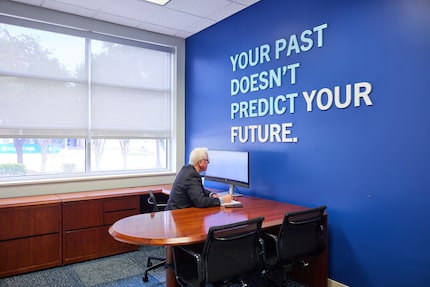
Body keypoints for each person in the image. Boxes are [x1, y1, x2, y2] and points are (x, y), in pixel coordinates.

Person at [166, 147, 232, 210]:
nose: (208, 163)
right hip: (177, 214)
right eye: (207, 161)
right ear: (200, 162)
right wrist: (223, 200)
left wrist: (211, 194)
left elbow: (198, 190)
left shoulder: (186, 170)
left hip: (174, 212)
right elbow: (201, 202)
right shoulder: (192, 175)